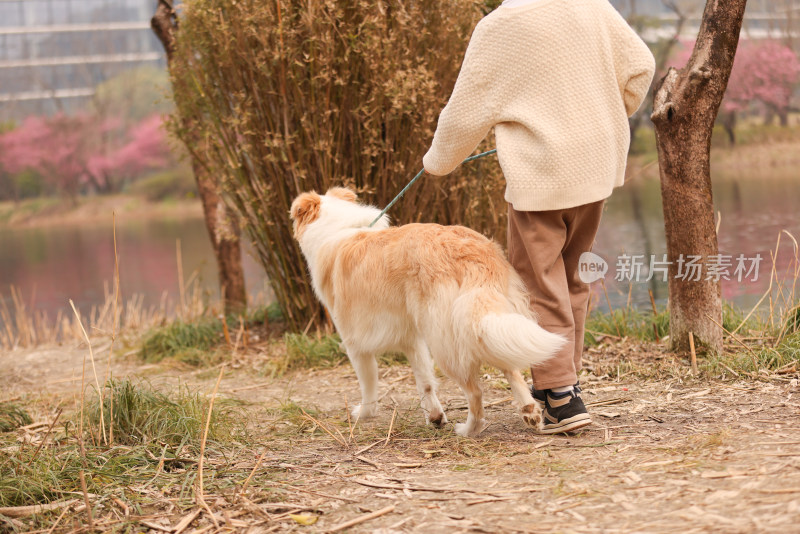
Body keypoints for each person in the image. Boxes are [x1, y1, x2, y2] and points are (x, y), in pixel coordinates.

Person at [423, 0, 655, 433]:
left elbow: (462, 115)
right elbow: (640, 67)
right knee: (571, 278)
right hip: (596, 164)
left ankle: (563, 396)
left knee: (538, 282)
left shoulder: (500, 25)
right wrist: (605, 114)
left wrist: (436, 162)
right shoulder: (592, 7)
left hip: (542, 175)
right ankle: (561, 387)